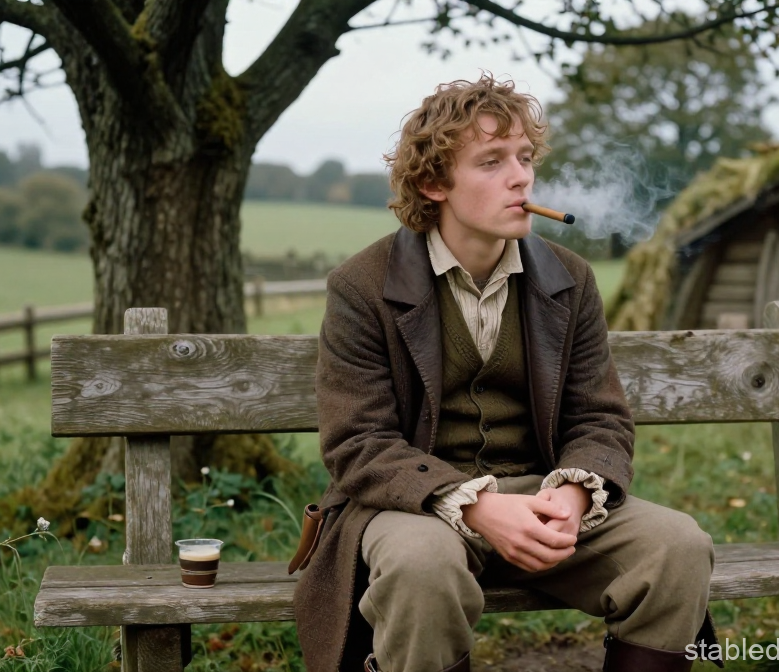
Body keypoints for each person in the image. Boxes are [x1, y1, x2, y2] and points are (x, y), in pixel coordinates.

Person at [293, 73, 718, 672]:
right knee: (423, 567)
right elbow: (358, 444)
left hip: (541, 498)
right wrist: (474, 506)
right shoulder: (362, 286)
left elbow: (600, 416)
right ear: (433, 182)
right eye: (491, 162)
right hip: (414, 509)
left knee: (678, 547)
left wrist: (573, 492)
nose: (520, 177)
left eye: (524, 157)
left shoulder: (570, 280)